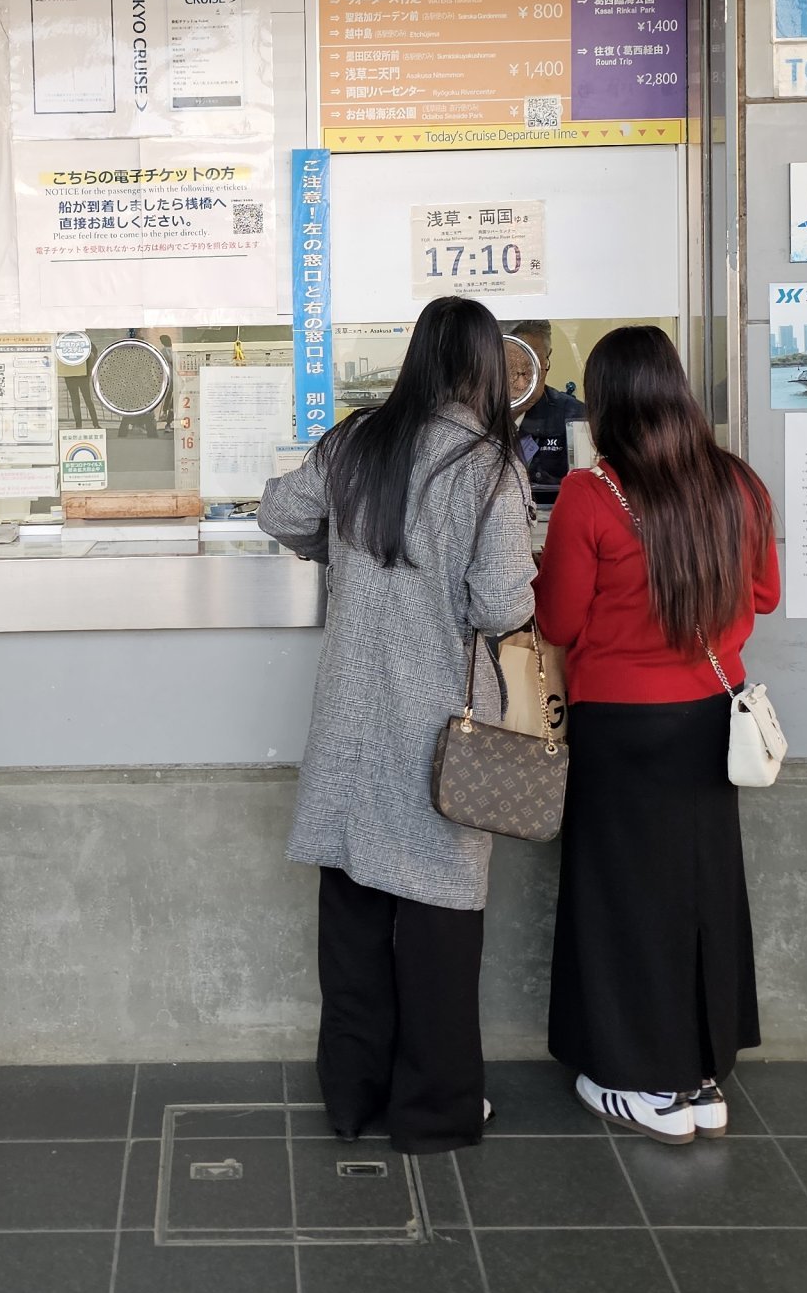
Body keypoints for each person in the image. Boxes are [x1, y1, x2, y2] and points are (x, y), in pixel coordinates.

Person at [258, 296, 536, 1155]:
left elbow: (279, 513)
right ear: (484, 367)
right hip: (440, 725)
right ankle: (434, 1111)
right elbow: (502, 603)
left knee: (352, 913)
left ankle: (353, 1099)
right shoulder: (489, 466)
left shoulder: (356, 441)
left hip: (351, 717)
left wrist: (339, 554)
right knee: (439, 918)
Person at [534, 326, 779, 1145]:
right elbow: (765, 595)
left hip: (620, 727)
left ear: (606, 404)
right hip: (711, 719)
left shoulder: (591, 494)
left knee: (623, 900)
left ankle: (642, 1084)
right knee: (704, 893)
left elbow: (558, 620)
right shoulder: (738, 484)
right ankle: (702, 1079)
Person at [507, 319, 581, 506]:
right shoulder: (471, 419)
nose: (522, 384)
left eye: (532, 367)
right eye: (511, 367)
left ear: (547, 359)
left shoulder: (575, 419)